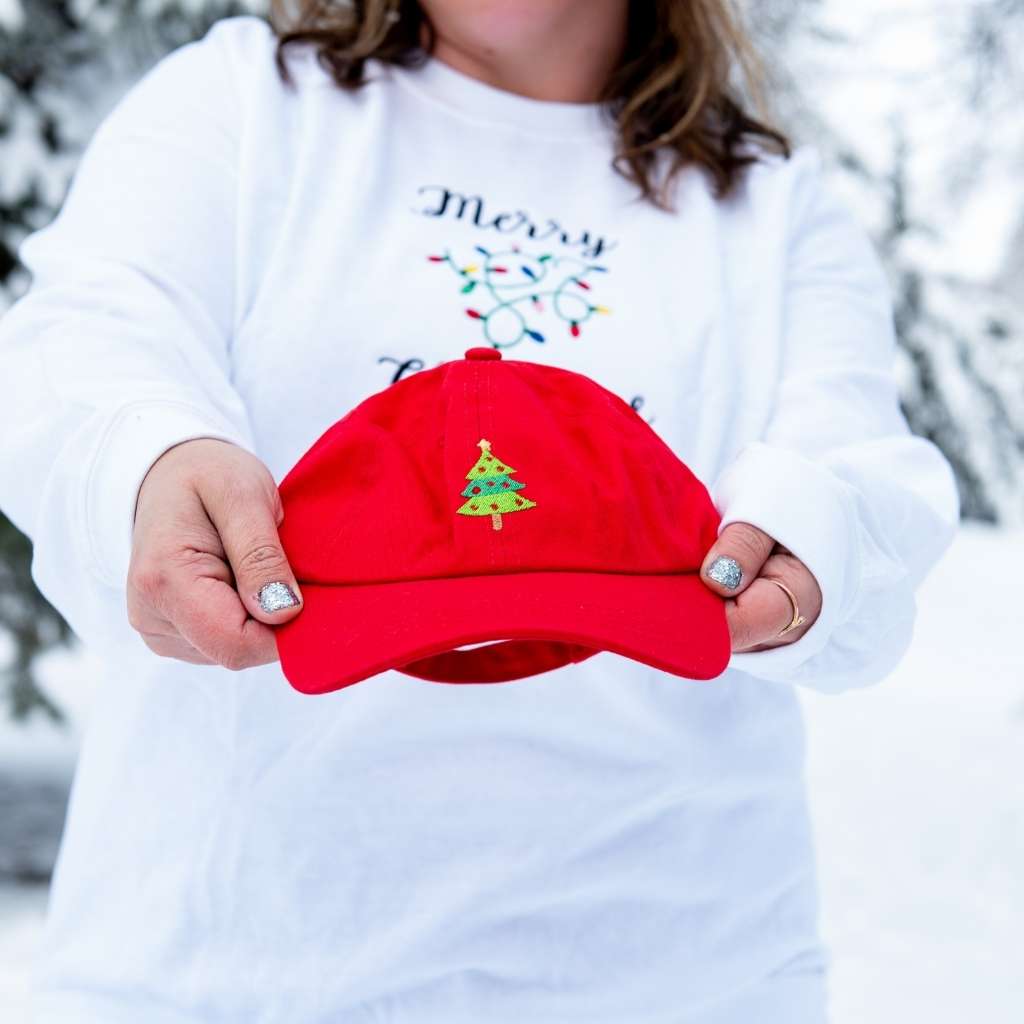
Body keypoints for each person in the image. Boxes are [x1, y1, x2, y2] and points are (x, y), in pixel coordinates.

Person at [0, 2, 959, 1021]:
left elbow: (854, 465)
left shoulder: (771, 203)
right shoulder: (242, 98)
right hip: (228, 977)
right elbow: (89, 340)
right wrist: (148, 457)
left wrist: (817, 543)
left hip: (678, 981)